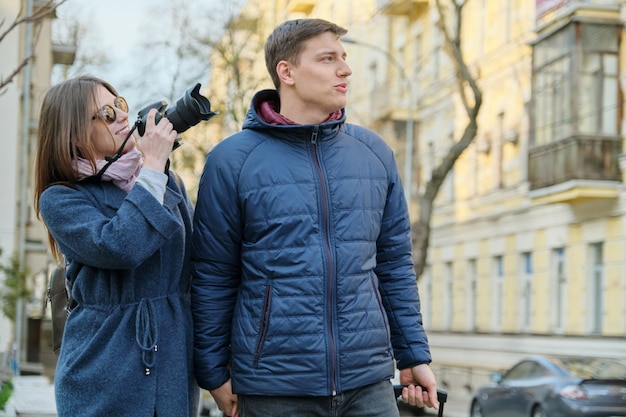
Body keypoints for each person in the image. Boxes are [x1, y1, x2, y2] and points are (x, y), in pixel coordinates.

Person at [191, 18, 439, 417]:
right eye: (327, 59)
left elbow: (394, 264)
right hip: (274, 388)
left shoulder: (375, 153)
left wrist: (412, 354)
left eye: (344, 57)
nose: (345, 69)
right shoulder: (231, 161)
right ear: (285, 72)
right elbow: (213, 275)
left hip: (369, 385)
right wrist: (214, 373)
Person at [34, 75, 198, 417]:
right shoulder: (62, 199)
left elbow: (200, 265)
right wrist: (152, 167)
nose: (122, 116)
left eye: (120, 104)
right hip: (102, 376)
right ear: (75, 133)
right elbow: (120, 247)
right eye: (107, 113)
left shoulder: (167, 184)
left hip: (172, 367)